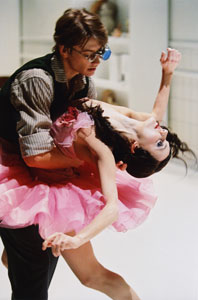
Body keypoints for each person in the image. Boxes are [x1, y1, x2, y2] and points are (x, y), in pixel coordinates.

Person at [0, 30, 194, 299]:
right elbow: (155, 117)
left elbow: (112, 208)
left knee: (91, 275)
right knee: (14, 257)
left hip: (55, 192)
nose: (163, 132)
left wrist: (76, 239)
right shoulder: (124, 120)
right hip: (33, 172)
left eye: (160, 143)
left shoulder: (102, 148)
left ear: (136, 147)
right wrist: (168, 74)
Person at [0, 7, 111, 300]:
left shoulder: (85, 81)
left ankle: (15, 253)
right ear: (64, 49)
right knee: (37, 267)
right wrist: (89, 159)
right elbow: (35, 156)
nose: (97, 61)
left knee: (41, 255)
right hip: (9, 165)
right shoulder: (38, 79)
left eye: (102, 53)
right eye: (90, 54)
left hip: (39, 165)